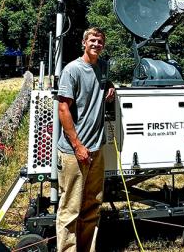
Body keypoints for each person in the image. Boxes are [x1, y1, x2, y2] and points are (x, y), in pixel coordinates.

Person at [55, 27, 115, 252]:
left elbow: (105, 86)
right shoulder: (72, 70)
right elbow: (63, 109)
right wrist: (78, 146)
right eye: (92, 40)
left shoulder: (102, 67)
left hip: (96, 150)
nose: (96, 44)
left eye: (100, 41)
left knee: (92, 206)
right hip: (74, 152)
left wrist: (111, 88)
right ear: (84, 43)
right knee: (70, 209)